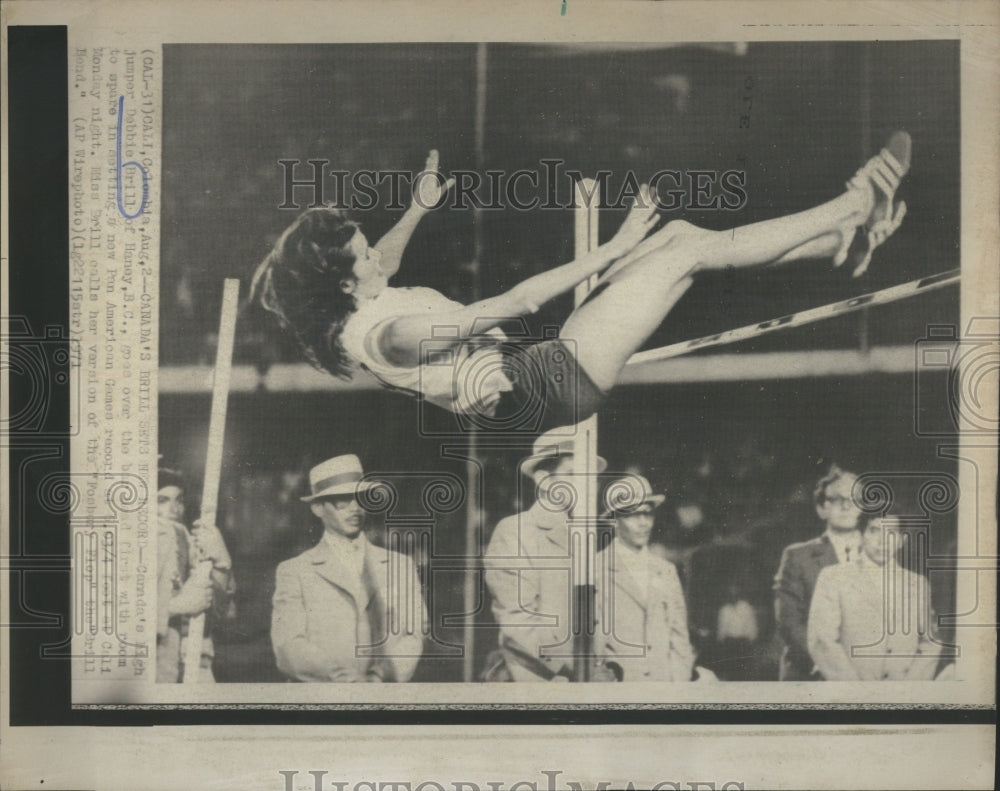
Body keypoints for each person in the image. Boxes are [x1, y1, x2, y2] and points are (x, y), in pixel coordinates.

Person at [254, 136, 912, 433]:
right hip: (545, 384)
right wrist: (614, 247)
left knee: (682, 237)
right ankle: (852, 206)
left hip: (537, 372)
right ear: (344, 281)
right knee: (681, 253)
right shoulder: (394, 334)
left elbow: (385, 265)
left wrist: (420, 207)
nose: (376, 250)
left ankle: (839, 243)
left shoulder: (360, 308)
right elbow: (515, 302)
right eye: (362, 251)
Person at [270, 454, 425, 682]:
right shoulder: (295, 571)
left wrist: (380, 677)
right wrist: (342, 679)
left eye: (361, 497)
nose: (355, 508)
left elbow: (414, 634)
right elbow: (287, 646)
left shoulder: (400, 565)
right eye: (342, 500)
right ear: (318, 508)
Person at [482, 427, 608, 681]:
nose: (587, 486)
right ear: (544, 480)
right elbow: (518, 624)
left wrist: (606, 666)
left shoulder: (585, 535)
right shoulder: (516, 531)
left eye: (591, 477)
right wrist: (578, 670)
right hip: (538, 679)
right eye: (573, 475)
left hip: (589, 683)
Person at [807, 516, 941, 680]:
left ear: (901, 540)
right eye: (874, 531)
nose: (882, 541)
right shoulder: (834, 577)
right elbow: (822, 640)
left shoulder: (918, 583)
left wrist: (910, 689)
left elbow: (931, 644)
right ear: (861, 536)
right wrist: (856, 692)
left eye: (891, 532)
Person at [595, 474, 696, 682]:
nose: (643, 523)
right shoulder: (596, 569)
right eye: (633, 515)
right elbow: (594, 646)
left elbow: (680, 640)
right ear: (615, 521)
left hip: (665, 690)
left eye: (648, 514)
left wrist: (678, 687)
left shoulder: (666, 570)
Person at [773, 465, 864, 681]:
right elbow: (790, 623)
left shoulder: (881, 554)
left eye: (853, 499)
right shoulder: (798, 556)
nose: (845, 506)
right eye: (836, 499)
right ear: (822, 509)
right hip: (812, 673)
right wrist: (831, 665)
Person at [156, 467, 236, 683]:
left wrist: (221, 563)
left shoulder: (191, 543)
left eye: (179, 500)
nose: (174, 509)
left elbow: (219, 611)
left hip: (193, 661)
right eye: (161, 500)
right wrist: (175, 607)